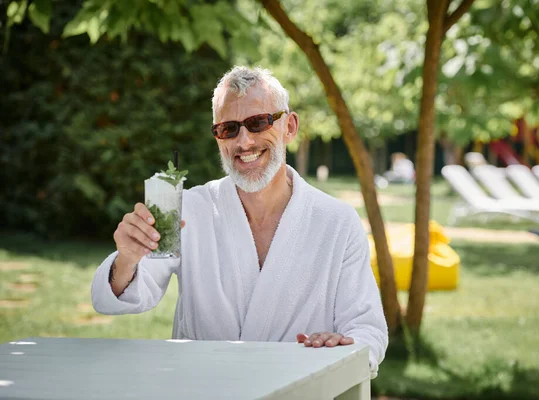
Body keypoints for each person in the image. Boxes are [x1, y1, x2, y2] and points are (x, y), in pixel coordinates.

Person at [91, 66, 388, 378]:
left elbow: (367, 329)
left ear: (289, 125)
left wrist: (342, 344)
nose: (244, 142)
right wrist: (128, 258)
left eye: (258, 123)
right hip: (201, 388)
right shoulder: (186, 209)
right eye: (228, 129)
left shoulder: (338, 222)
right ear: (218, 137)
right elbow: (127, 295)